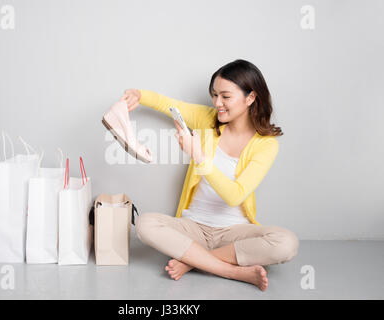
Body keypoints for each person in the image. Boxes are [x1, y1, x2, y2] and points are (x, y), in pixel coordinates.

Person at [120, 59, 298, 291]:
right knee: (145, 224)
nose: (217, 103)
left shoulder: (266, 145)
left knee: (287, 243)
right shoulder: (207, 119)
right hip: (193, 226)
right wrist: (139, 94)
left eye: (225, 96)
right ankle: (231, 271)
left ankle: (193, 261)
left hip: (234, 232)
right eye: (214, 95)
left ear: (251, 98)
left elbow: (235, 196)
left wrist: (199, 157)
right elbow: (168, 104)